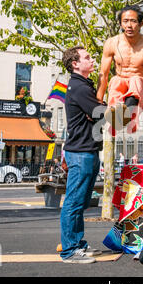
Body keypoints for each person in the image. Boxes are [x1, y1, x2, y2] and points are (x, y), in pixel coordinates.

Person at [60, 46, 107, 264]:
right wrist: (100, 112)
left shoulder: (84, 86)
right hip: (80, 152)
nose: (92, 59)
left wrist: (98, 112)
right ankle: (69, 251)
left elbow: (98, 113)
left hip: (87, 150)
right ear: (75, 64)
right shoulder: (79, 87)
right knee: (74, 203)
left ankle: (78, 244)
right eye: (87, 57)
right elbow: (102, 115)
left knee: (81, 202)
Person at [97, 5, 143, 132]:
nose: (129, 25)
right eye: (125, 21)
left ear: (140, 24)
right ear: (120, 24)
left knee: (135, 80)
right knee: (115, 80)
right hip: (121, 88)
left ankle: (126, 113)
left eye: (133, 21)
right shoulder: (112, 43)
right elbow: (104, 74)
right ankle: (117, 115)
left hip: (141, 87)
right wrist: (98, 102)